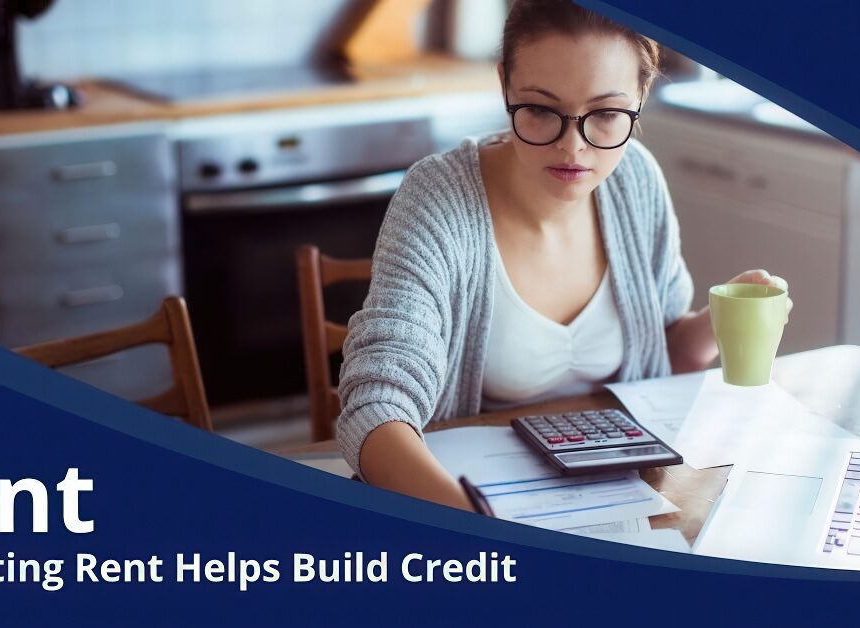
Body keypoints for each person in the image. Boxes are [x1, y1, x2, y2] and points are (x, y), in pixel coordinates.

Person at [336, 0, 789, 510]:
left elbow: (664, 351)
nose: (573, 148)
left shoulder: (635, 180)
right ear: (505, 84)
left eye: (606, 114)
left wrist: (719, 319)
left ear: (641, 93)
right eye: (541, 110)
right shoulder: (439, 198)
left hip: (624, 500)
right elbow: (375, 404)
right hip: (469, 498)